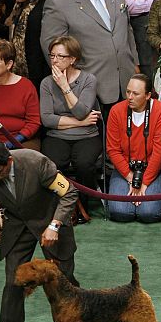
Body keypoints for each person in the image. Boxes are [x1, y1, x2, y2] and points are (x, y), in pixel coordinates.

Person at [0, 140, 99, 322]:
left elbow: (69, 192)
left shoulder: (36, 163)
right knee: (13, 285)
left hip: (51, 220)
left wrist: (55, 225)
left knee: (67, 285)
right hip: (18, 227)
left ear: (8, 161)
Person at [41, 0, 139, 122]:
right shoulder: (58, 2)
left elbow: (127, 28)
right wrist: (72, 83)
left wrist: (135, 63)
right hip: (91, 87)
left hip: (127, 79)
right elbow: (53, 50)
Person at [39, 36, 102, 220]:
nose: (55, 60)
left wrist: (65, 86)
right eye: (52, 56)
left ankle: (82, 206)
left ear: (72, 59)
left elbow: (81, 111)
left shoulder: (88, 79)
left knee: (84, 164)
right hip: (57, 135)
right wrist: (80, 122)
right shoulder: (46, 83)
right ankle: (60, 205)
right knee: (53, 163)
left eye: (60, 56)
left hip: (87, 136)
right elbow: (47, 119)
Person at [105, 74, 161, 223]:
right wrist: (131, 179)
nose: (130, 97)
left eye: (135, 93)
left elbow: (160, 151)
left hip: (156, 169)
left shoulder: (160, 110)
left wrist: (144, 183)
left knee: (148, 213)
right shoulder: (116, 111)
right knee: (120, 212)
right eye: (128, 92)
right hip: (126, 169)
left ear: (148, 95)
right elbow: (113, 150)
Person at [3, 0, 47, 92]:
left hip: (34, 72)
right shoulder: (17, 5)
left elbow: (36, 49)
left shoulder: (39, 11)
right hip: (16, 67)